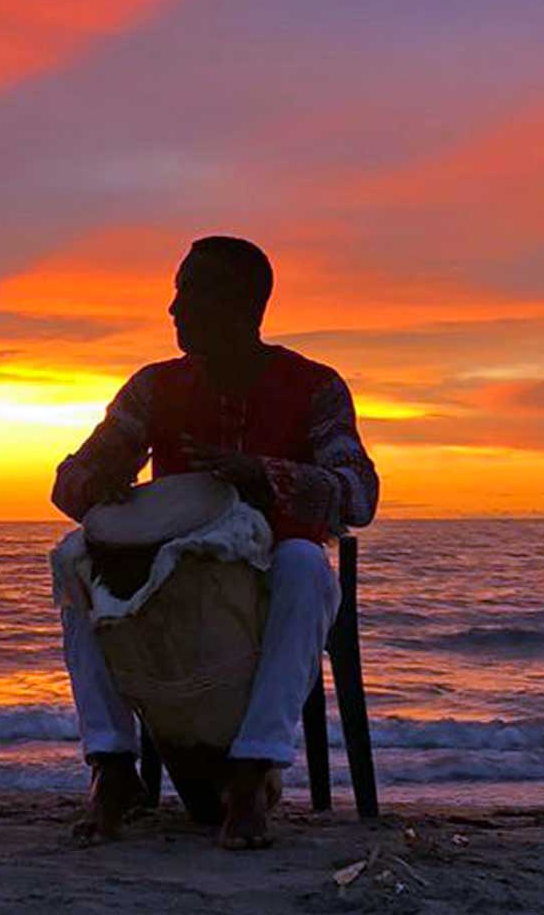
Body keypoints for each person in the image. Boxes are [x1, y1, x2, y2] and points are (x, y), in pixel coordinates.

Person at [51, 235, 380, 849]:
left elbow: (359, 495)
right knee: (72, 558)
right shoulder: (153, 388)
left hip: (271, 576)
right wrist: (98, 481)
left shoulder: (317, 387)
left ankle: (252, 776)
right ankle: (112, 767)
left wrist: (264, 474)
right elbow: (66, 482)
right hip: (176, 578)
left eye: (189, 294)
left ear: (243, 307)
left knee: (308, 565)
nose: (173, 310)